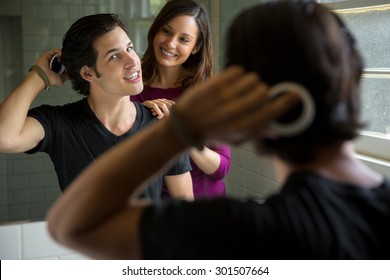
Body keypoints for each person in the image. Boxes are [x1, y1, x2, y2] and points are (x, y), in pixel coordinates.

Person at [47, 0, 390, 260]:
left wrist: (178, 131)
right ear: (355, 78)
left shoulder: (252, 232)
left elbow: (72, 226)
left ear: (249, 106)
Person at [0, 13, 193, 201]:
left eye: (130, 48)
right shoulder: (60, 124)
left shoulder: (162, 125)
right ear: (88, 73)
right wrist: (39, 76)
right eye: (114, 57)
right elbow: (4, 138)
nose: (133, 61)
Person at [131, 0, 231, 199]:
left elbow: (221, 168)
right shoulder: (132, 86)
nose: (170, 44)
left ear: (196, 47)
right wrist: (140, 115)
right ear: (155, 30)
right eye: (166, 31)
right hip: (151, 208)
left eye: (184, 39)